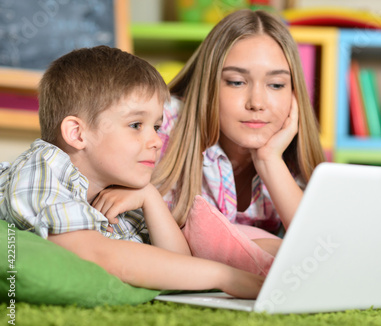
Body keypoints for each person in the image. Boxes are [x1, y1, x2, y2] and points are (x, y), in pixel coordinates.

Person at [0, 45, 263, 298]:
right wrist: (225, 277)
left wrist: (150, 198)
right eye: (136, 124)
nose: (157, 141)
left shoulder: (118, 190)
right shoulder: (41, 170)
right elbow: (99, 255)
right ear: (77, 133)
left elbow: (177, 265)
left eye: (157, 127)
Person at [152, 9, 325, 253]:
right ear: (208, 84)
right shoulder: (161, 124)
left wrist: (269, 160)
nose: (256, 102)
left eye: (276, 85)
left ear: (294, 95)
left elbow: (318, 251)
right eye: (236, 82)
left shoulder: (298, 159)